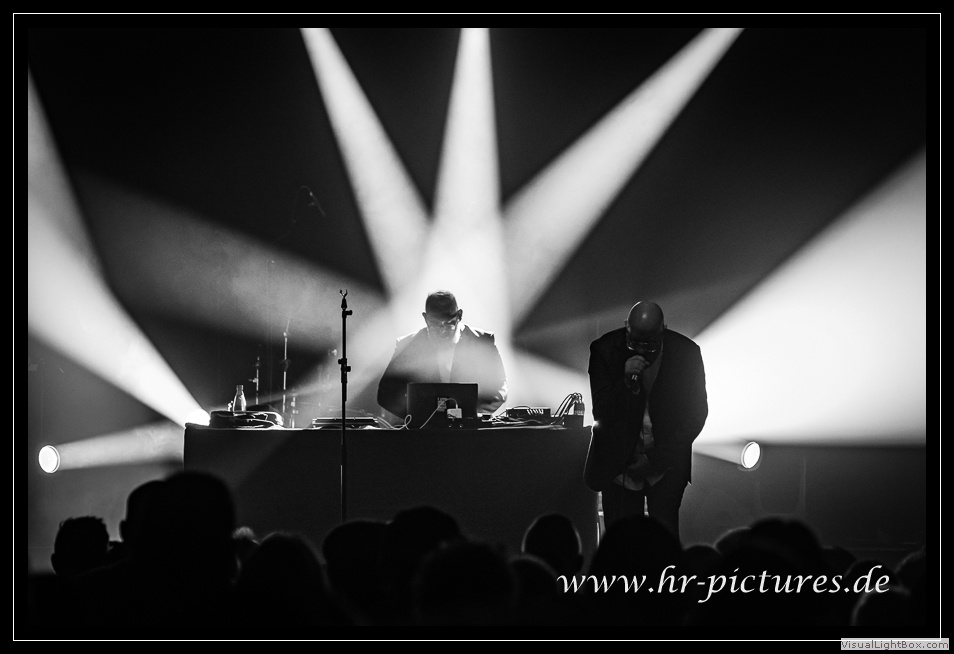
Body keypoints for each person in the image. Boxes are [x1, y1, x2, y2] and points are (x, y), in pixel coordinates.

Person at [584, 300, 707, 543]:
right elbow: (602, 413)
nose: (641, 350)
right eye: (634, 342)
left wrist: (655, 459)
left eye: (649, 343)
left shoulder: (686, 352)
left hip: (666, 467)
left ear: (663, 329)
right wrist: (625, 380)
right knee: (622, 546)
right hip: (619, 468)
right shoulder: (604, 350)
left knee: (663, 544)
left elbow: (695, 413)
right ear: (626, 327)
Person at [377, 290, 508, 420]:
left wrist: (471, 415)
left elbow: (499, 389)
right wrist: (416, 417)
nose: (442, 331)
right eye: (435, 324)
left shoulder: (482, 342)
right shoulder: (408, 346)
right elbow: (386, 394)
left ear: (459, 316)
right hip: (424, 429)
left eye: (448, 323)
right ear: (425, 318)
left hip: (469, 428)